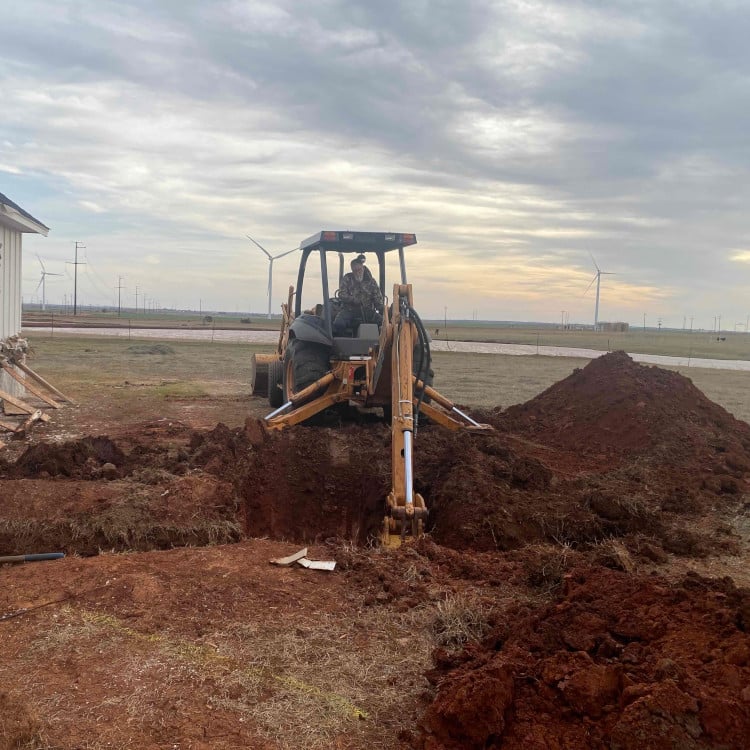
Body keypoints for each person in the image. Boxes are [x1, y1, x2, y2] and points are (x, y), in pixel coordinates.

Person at [333, 255, 383, 336]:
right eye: (355, 270)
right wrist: (352, 299)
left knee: (384, 323)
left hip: (368, 311)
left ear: (363, 268)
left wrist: (382, 308)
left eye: (359, 269)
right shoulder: (347, 279)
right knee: (338, 323)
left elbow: (377, 298)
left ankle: (380, 344)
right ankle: (344, 343)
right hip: (349, 310)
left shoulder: (371, 281)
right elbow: (341, 294)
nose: (357, 272)